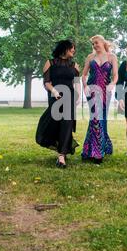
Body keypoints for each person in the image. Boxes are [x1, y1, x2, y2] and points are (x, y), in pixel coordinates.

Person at [35, 40, 81, 168]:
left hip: (70, 97)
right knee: (53, 123)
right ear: (64, 48)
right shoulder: (50, 63)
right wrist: (54, 90)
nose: (73, 50)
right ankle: (60, 147)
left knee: (66, 124)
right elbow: (47, 82)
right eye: (72, 48)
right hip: (55, 97)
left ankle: (61, 156)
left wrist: (78, 96)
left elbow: (76, 82)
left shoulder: (75, 65)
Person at [81, 35, 118, 164]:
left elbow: (115, 75)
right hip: (91, 90)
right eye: (93, 44)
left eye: (96, 43)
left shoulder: (112, 57)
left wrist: (113, 84)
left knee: (101, 118)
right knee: (95, 117)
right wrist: (85, 86)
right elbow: (84, 74)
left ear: (103, 42)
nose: (95, 45)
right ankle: (96, 152)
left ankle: (93, 149)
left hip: (105, 91)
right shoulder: (90, 57)